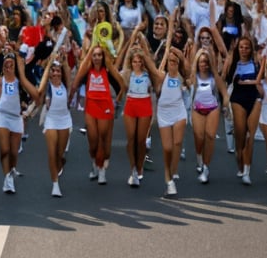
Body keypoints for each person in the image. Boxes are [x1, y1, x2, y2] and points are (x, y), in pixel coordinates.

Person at [0, 34, 41, 194]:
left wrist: (21, 70)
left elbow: (37, 97)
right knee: (4, 150)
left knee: (14, 152)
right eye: (6, 65)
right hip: (2, 116)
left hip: (16, 118)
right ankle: (7, 178)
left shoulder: (20, 82)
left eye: (11, 65)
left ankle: (12, 169)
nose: (8, 68)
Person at [70, 41, 122, 183]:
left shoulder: (108, 70)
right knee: (92, 141)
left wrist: (117, 101)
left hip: (105, 108)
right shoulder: (87, 71)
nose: (97, 57)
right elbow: (75, 83)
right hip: (91, 107)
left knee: (101, 140)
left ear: (103, 56)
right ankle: (95, 163)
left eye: (99, 55)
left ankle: (101, 171)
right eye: (94, 55)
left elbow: (122, 85)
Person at [121, 31, 161, 187]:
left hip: (144, 105)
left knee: (141, 140)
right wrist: (131, 40)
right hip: (131, 104)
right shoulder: (127, 73)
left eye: (139, 61)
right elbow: (124, 61)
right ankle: (133, 170)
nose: (136, 63)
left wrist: (142, 44)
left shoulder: (148, 73)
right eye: (134, 61)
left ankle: (140, 167)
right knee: (131, 139)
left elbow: (153, 69)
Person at [225, 34, 261, 186]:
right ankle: (239, 159)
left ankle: (247, 171)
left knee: (249, 137)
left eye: (247, 47)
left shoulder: (256, 63)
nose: (244, 50)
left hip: (254, 98)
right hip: (238, 99)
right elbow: (224, 77)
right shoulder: (233, 63)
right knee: (240, 135)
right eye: (241, 47)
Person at [39, 42, 73, 197]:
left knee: (59, 154)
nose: (55, 74)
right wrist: (49, 64)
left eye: (57, 71)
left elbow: (67, 71)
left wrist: (63, 60)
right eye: (53, 71)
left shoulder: (66, 86)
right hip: (51, 120)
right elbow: (44, 79)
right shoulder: (47, 87)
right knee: (52, 153)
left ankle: (61, 162)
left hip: (65, 120)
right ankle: (55, 184)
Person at [190, 46, 229, 184]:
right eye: (201, 62)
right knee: (199, 137)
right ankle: (199, 157)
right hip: (197, 109)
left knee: (210, 136)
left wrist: (225, 107)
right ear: (197, 63)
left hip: (213, 108)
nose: (204, 65)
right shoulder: (194, 77)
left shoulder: (215, 77)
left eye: (206, 62)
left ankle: (206, 167)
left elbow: (224, 93)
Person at [155, 42, 188, 197]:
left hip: (179, 111)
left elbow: (189, 71)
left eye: (175, 62)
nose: (172, 64)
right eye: (170, 61)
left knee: (177, 144)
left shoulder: (183, 76)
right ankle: (168, 174)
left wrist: (181, 55)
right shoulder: (162, 76)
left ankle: (170, 179)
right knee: (167, 148)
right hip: (164, 113)